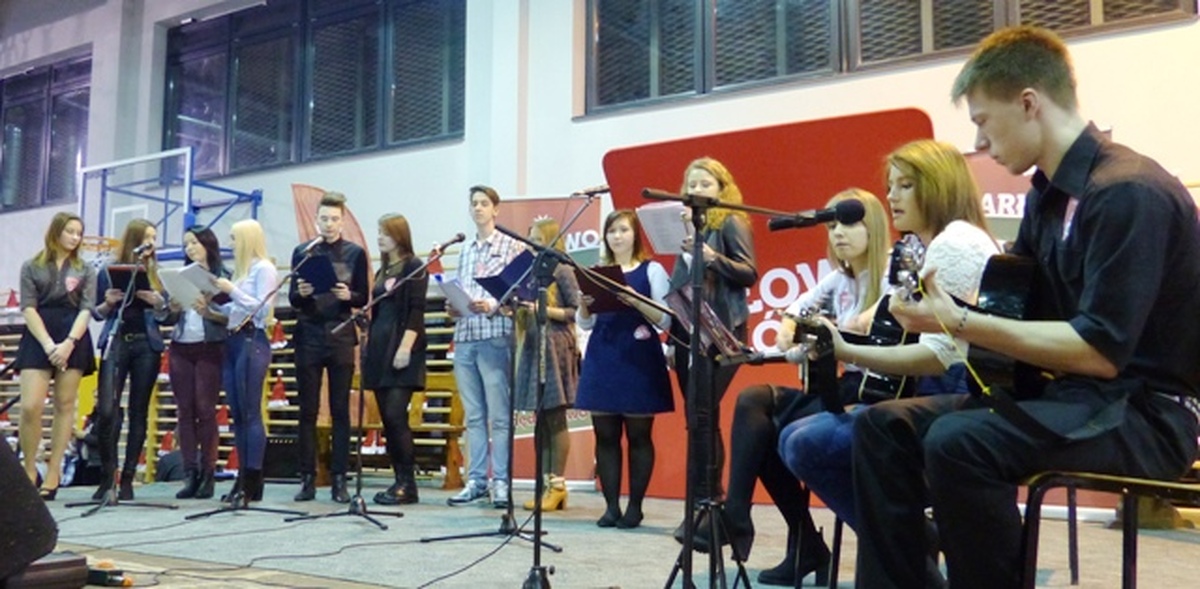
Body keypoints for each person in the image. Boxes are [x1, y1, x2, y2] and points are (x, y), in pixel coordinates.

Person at [852, 26, 1200, 589]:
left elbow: (1099, 351)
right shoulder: (1048, 197)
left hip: (1146, 415)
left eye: (983, 121)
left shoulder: (1127, 191)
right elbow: (1017, 309)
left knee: (959, 443)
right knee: (882, 426)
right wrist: (941, 313)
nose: (980, 142)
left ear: (1029, 103)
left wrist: (958, 321)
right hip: (1072, 399)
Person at [778, 139, 999, 544]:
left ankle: (907, 544)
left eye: (905, 185)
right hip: (935, 391)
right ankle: (906, 542)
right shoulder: (932, 245)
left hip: (955, 396)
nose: (892, 196)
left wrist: (845, 350)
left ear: (938, 186)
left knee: (803, 443)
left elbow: (940, 357)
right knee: (793, 436)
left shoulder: (953, 243)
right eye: (891, 186)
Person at [712, 188, 889, 586]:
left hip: (878, 394)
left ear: (873, 226)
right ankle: (743, 515)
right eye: (832, 226)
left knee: (764, 432)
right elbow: (790, 318)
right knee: (753, 402)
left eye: (849, 223)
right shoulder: (838, 279)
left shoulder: (894, 273)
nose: (838, 233)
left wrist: (821, 332)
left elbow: (864, 326)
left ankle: (792, 538)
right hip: (845, 387)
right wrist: (792, 331)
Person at [668, 157, 757, 539]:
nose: (698, 190)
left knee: (702, 414)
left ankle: (706, 505)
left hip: (722, 330)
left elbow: (748, 272)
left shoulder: (731, 222)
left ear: (722, 189)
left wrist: (712, 257)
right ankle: (705, 503)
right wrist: (672, 338)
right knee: (698, 418)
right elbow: (679, 283)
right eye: (692, 184)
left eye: (706, 184)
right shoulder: (686, 228)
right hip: (686, 330)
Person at [575, 209, 673, 529]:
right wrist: (584, 305)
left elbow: (665, 319)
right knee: (605, 435)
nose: (617, 236)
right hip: (603, 354)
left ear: (635, 235)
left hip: (638, 355)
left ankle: (635, 506)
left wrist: (636, 300)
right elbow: (585, 324)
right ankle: (611, 506)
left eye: (623, 230)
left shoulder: (651, 270)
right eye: (611, 231)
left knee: (639, 435)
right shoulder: (597, 272)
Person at [445, 185, 524, 508]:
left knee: (500, 416)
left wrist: (491, 304)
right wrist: (455, 306)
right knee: (474, 416)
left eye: (484, 203)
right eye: (474, 203)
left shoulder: (511, 246)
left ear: (496, 209)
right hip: (465, 336)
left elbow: (518, 293)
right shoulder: (465, 250)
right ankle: (476, 480)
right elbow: (461, 289)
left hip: (494, 336)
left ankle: (501, 481)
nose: (478, 208)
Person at [288, 191, 370, 504]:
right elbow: (293, 299)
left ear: (342, 221)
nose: (329, 224)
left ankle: (339, 479)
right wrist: (301, 292)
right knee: (307, 410)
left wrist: (350, 296)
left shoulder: (355, 253)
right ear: (316, 220)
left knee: (340, 411)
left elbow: (363, 296)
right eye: (324, 218)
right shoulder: (302, 252)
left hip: (340, 335)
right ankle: (307, 478)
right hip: (308, 334)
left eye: (335, 219)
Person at [13, 212, 96, 500]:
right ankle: (29, 468)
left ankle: (54, 470)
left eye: (79, 233)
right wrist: (49, 345)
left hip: (73, 333)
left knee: (65, 404)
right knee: (30, 406)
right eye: (70, 231)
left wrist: (69, 343)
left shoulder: (85, 269)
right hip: (39, 334)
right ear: (56, 232)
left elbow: (86, 308)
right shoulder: (31, 266)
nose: (75, 237)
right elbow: (28, 307)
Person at [92, 219, 172, 501]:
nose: (152, 244)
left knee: (139, 411)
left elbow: (169, 315)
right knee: (107, 411)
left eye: (154, 238)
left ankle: (127, 478)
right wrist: (108, 302)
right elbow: (96, 313)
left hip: (146, 344)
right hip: (116, 341)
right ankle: (107, 477)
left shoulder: (159, 274)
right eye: (147, 237)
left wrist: (158, 303)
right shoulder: (108, 271)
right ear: (135, 240)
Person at [512, 218, 581, 512]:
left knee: (555, 417)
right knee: (540, 419)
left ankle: (557, 485)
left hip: (555, 344)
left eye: (538, 239)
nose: (532, 244)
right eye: (530, 238)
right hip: (533, 343)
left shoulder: (563, 269)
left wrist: (544, 309)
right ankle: (543, 485)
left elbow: (575, 311)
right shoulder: (527, 270)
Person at [362, 214, 428, 505]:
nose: (380, 238)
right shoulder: (382, 270)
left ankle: (408, 483)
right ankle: (398, 479)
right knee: (387, 421)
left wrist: (405, 347)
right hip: (379, 349)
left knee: (395, 415)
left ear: (400, 236)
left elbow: (416, 310)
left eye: (385, 233)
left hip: (401, 347)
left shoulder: (414, 266)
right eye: (378, 232)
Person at [213, 219, 278, 504]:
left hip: (253, 339)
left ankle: (253, 477)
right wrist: (211, 305)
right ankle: (243, 476)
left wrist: (231, 290)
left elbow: (262, 309)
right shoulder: (242, 271)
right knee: (238, 413)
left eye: (234, 238)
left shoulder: (264, 268)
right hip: (234, 340)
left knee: (250, 412)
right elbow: (236, 309)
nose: (230, 244)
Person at [164, 225, 229, 499]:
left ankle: (209, 473)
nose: (190, 248)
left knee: (205, 409)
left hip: (208, 346)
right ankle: (189, 472)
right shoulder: (179, 276)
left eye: (194, 242)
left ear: (207, 244)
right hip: (181, 346)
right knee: (184, 411)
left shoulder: (223, 277)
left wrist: (210, 309)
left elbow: (232, 315)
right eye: (186, 244)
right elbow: (165, 317)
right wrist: (170, 308)